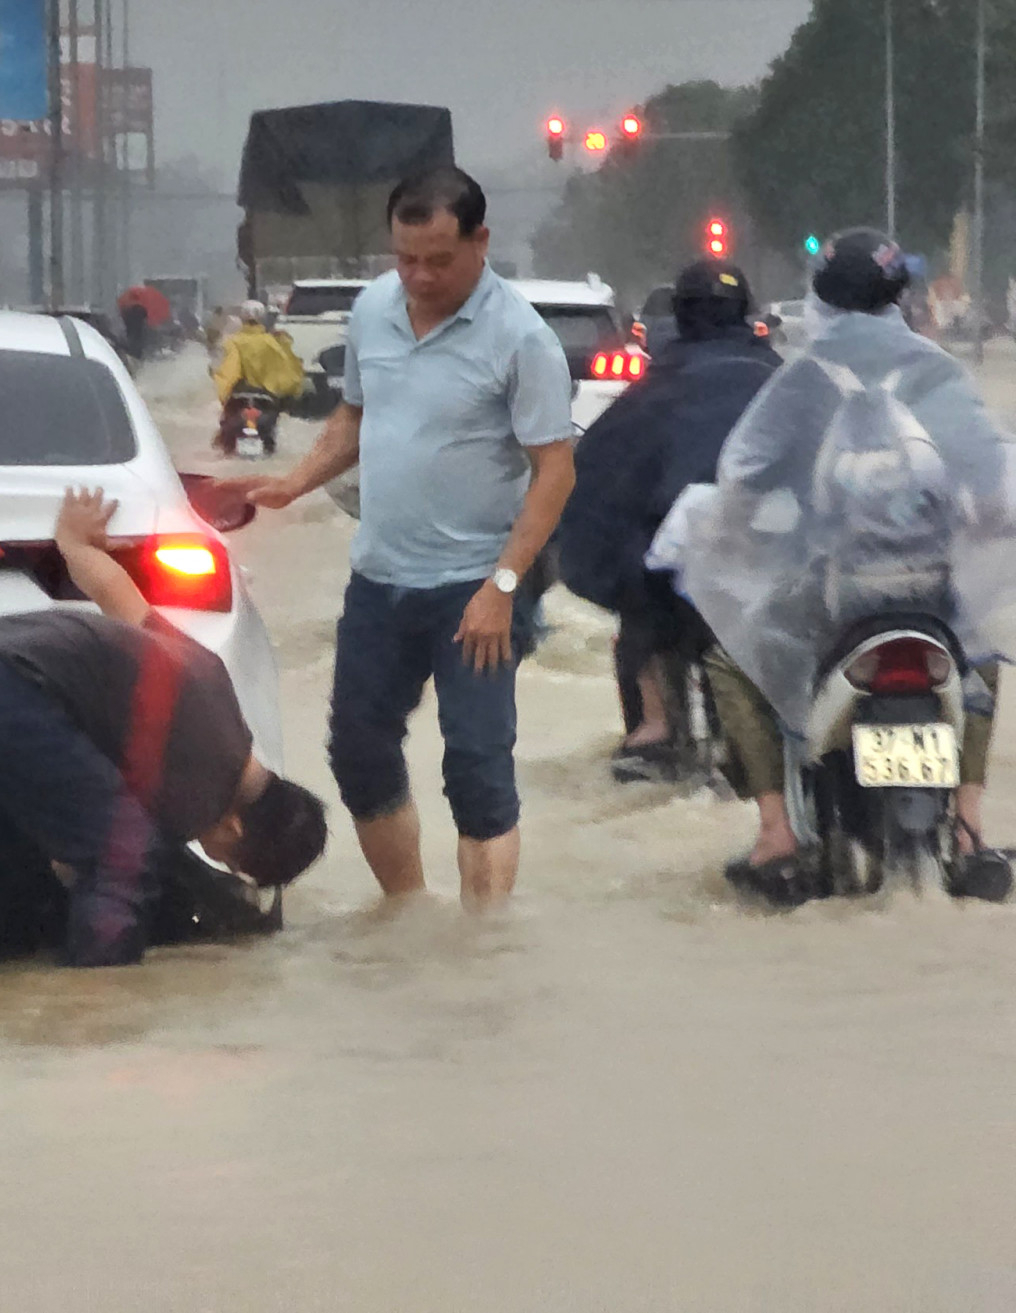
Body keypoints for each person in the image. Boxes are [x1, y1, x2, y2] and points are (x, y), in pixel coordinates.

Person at [220, 165, 577, 910]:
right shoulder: (376, 309)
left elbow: (554, 473)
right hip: (380, 580)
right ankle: (409, 915)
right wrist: (297, 479)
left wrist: (504, 586)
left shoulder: (522, 339)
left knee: (478, 768)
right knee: (356, 751)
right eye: (405, 257)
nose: (418, 276)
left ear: (481, 242)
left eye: (439, 260)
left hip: (476, 584)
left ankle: (484, 943)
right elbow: (354, 416)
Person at [659, 229, 1016, 896]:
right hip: (933, 599)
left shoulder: (804, 380)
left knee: (729, 660)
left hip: (836, 597)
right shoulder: (937, 373)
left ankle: (776, 832)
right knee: (983, 656)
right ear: (899, 298)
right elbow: (993, 483)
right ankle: (969, 825)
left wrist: (735, 532)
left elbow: (744, 481)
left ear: (821, 299)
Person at [0, 487, 329, 979]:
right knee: (125, 854)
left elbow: (123, 602)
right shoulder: (202, 786)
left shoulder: (214, 687)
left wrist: (75, 545)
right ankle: (95, 1001)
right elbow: (117, 853)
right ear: (234, 827)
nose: (211, 854)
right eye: (227, 858)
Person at [558, 259, 781, 782]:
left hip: (674, 585)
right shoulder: (782, 384)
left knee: (639, 615)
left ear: (679, 317)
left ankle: (654, 728)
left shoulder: (647, 395)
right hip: (767, 577)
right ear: (746, 315)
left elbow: (590, 486)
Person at [210, 300, 304, 455]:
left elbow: (228, 371)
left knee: (224, 441)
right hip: (267, 397)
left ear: (241, 317)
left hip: (237, 397)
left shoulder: (232, 341)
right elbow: (288, 371)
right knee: (271, 438)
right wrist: (291, 392)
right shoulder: (273, 342)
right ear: (262, 317)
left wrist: (223, 392)